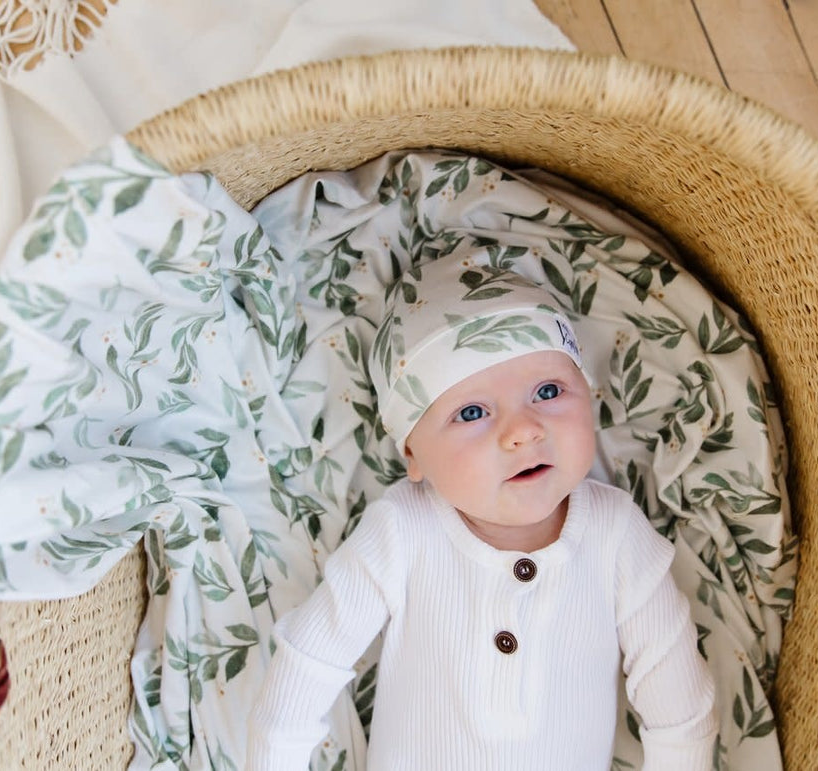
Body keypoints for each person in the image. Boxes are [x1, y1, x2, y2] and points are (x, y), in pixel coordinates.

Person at [247, 256, 718, 770]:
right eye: (472, 413)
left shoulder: (616, 534)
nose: (523, 430)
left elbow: (681, 711)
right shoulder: (403, 532)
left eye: (548, 391)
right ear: (413, 455)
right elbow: (309, 662)